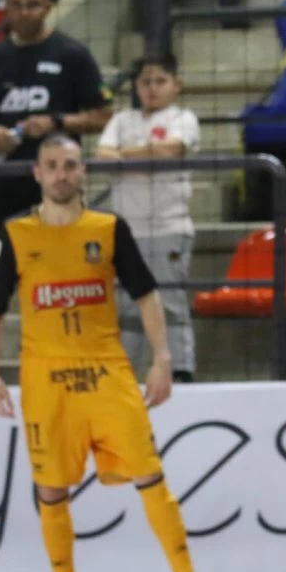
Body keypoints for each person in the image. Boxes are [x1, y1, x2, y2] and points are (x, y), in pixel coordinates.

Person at [0, 134, 234, 572]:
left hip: (107, 374)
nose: (61, 174)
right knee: (51, 489)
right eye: (51, 166)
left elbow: (146, 293)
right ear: (37, 173)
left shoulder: (109, 228)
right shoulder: (15, 235)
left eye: (70, 165)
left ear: (83, 170)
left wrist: (162, 359)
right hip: (44, 380)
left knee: (149, 475)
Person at [0, 0, 113, 386]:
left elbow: (101, 115)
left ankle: (69, 357)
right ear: (7, 8)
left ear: (47, 8)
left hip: (57, 187)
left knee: (62, 272)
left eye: (33, 4)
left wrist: (57, 122)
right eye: (17, 4)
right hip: (4, 180)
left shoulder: (72, 54)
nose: (25, 12)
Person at [95, 55, 199, 382]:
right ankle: (127, 373)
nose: (151, 89)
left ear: (176, 84)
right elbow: (102, 156)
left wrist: (126, 155)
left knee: (169, 300)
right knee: (127, 305)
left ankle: (181, 370)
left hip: (169, 225)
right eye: (144, 82)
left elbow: (172, 149)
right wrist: (146, 153)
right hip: (126, 229)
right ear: (136, 87)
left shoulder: (183, 118)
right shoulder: (122, 120)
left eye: (159, 81)